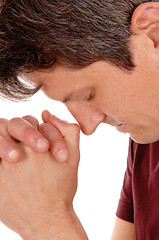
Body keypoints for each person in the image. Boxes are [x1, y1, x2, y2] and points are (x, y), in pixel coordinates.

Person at [0, 0, 159, 239]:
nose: (86, 127)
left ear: (154, 31)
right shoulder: (148, 138)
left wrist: (48, 223)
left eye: (88, 95)